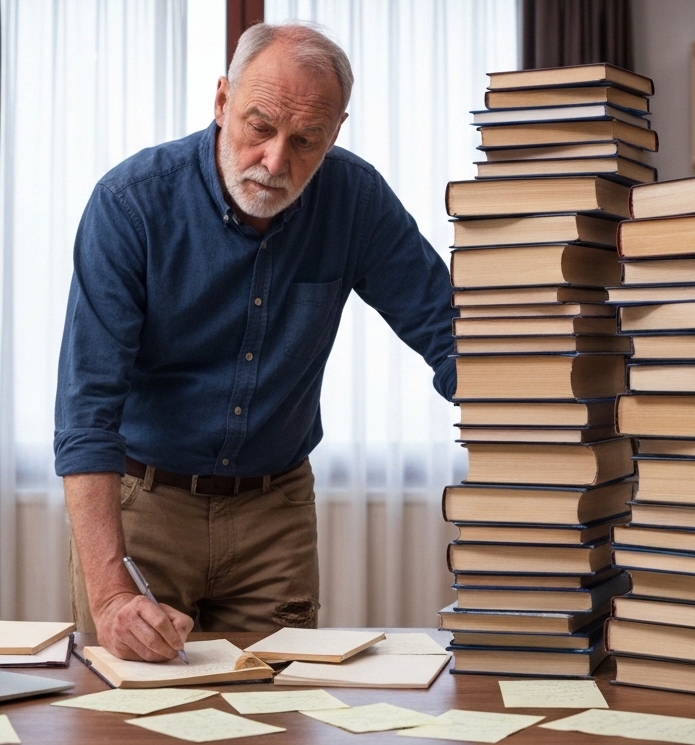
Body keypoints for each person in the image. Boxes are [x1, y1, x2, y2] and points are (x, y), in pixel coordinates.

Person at [55, 21, 456, 662]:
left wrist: (540, 432)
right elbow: (86, 410)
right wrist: (107, 594)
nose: (276, 162)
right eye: (259, 127)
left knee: (279, 726)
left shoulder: (356, 202)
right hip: (144, 510)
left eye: (305, 141)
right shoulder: (129, 205)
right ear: (222, 102)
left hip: (276, 514)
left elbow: (450, 333)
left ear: (336, 132)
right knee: (132, 730)